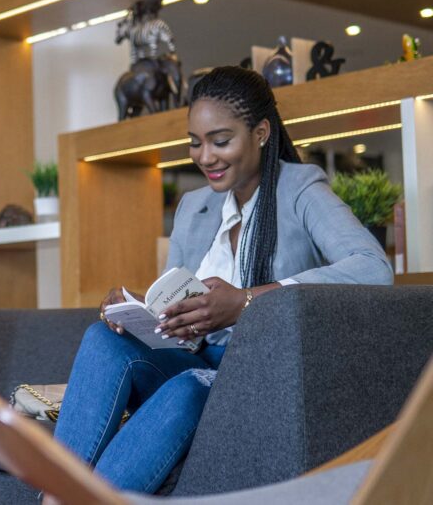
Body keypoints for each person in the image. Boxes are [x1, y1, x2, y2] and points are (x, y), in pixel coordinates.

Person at [52, 66, 393, 495]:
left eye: (221, 140)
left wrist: (247, 301)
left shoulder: (299, 188)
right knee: (103, 340)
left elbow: (371, 267)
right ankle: (54, 495)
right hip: (195, 357)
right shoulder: (194, 207)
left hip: (256, 370)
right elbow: (173, 299)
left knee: (187, 388)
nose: (205, 157)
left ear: (261, 133)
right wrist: (141, 309)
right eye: (195, 143)